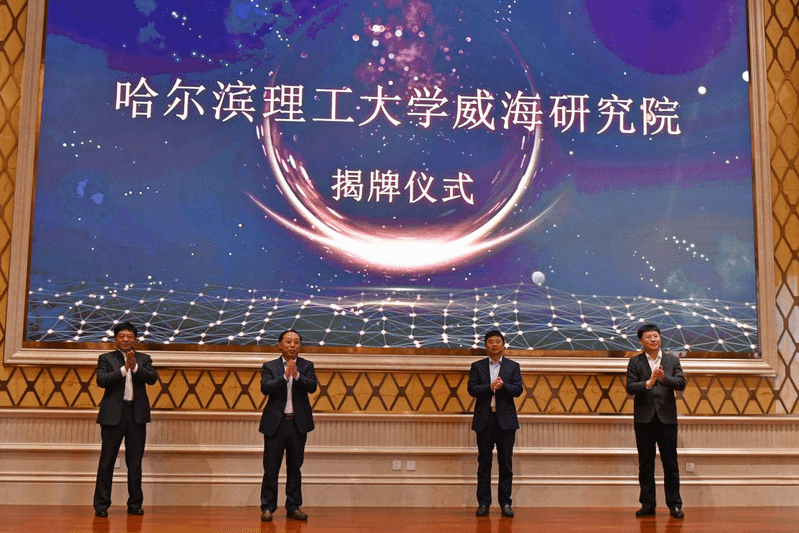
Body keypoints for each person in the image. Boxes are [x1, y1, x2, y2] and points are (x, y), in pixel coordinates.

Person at [93, 321, 159, 517]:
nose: (125, 340)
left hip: (136, 415)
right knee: (107, 461)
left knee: (135, 462)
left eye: (129, 337)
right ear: (115, 339)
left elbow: (152, 378)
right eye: (121, 336)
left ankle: (135, 504)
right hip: (113, 415)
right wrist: (124, 368)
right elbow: (101, 380)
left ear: (135, 339)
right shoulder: (106, 358)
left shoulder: (144, 359)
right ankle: (101, 505)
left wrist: (135, 367)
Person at [626, 323, 686, 519]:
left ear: (660, 338)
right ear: (641, 341)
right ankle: (647, 504)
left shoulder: (671, 360)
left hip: (667, 419)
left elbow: (681, 383)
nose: (653, 340)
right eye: (649, 337)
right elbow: (630, 387)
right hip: (644, 420)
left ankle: (675, 505)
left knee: (671, 464)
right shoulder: (635, 362)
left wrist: (663, 379)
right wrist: (648, 383)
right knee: (645, 464)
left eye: (656, 336)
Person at [259, 329, 318, 522]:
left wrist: (297, 375)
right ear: (280, 345)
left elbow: (312, 386)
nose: (293, 345)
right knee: (271, 468)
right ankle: (268, 507)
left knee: (295, 468)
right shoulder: (270, 366)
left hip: (297, 424)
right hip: (275, 424)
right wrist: (284, 377)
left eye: (296, 342)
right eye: (289, 342)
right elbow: (265, 388)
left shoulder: (307, 365)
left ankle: (293, 506)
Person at [467, 330, 524, 518]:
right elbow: (472, 389)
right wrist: (489, 387)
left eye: (497, 341)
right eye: (490, 341)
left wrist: (502, 386)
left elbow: (518, 390)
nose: (494, 344)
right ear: (485, 345)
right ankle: (483, 503)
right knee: (484, 464)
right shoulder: (477, 366)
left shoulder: (512, 366)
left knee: (505, 464)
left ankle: (505, 503)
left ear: (503, 345)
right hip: (485, 420)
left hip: (506, 422)